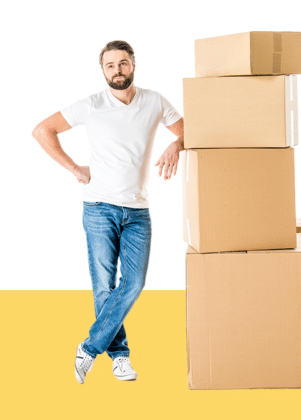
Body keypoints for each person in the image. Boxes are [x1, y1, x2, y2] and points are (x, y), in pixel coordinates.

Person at [31, 40, 184, 383]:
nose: (117, 69)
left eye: (123, 63)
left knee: (133, 283)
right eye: (110, 65)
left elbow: (190, 130)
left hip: (138, 211)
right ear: (103, 71)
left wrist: (176, 143)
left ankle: (88, 348)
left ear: (133, 65)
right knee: (104, 287)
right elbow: (43, 130)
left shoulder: (155, 101)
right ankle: (120, 357)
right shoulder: (92, 105)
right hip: (99, 207)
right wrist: (73, 168)